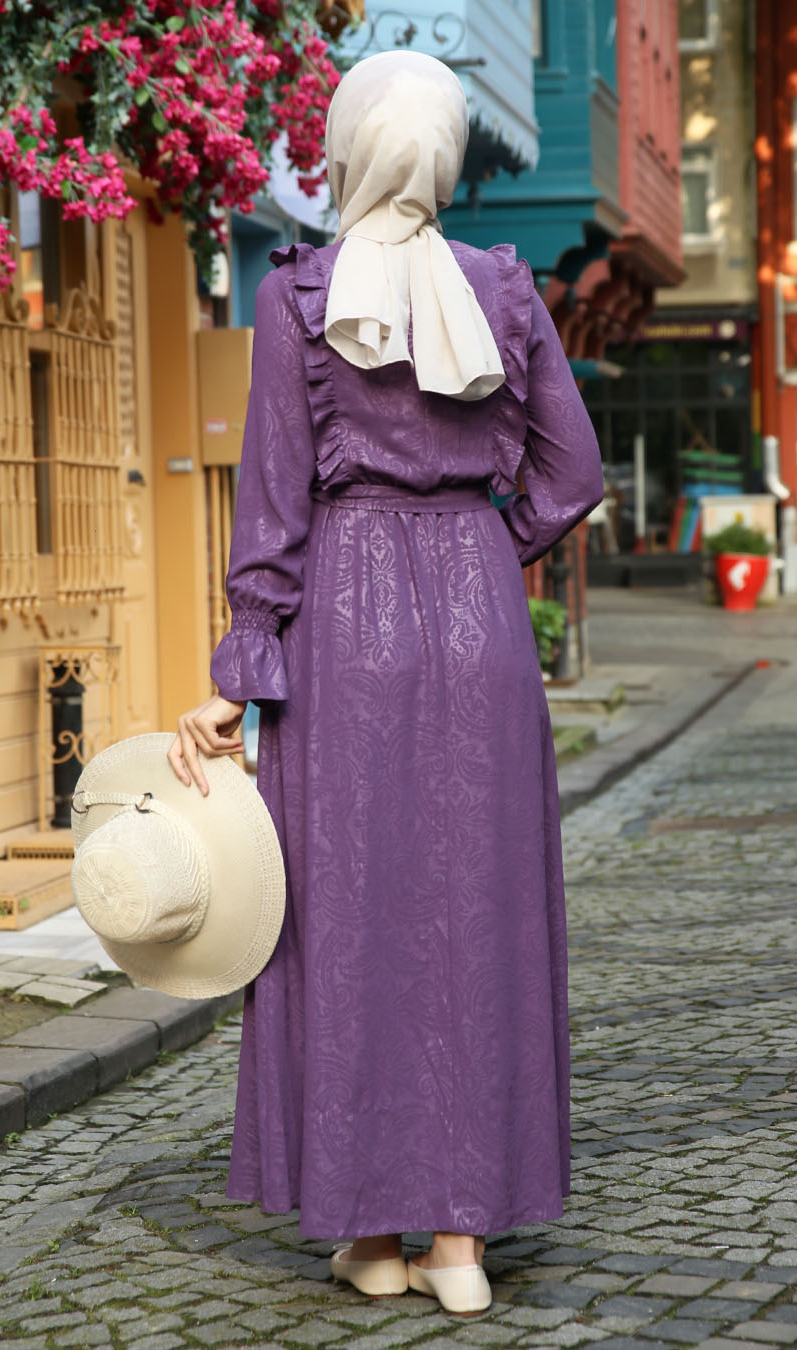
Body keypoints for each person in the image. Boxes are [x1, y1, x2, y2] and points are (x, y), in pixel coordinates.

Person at [169, 49, 604, 1317]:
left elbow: (273, 509)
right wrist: (486, 547)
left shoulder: (298, 300)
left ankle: (368, 1238)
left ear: (351, 149)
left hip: (343, 632)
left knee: (346, 919)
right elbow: (572, 476)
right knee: (478, 914)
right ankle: (461, 1246)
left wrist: (241, 672)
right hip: (481, 615)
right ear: (451, 155)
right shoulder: (505, 291)